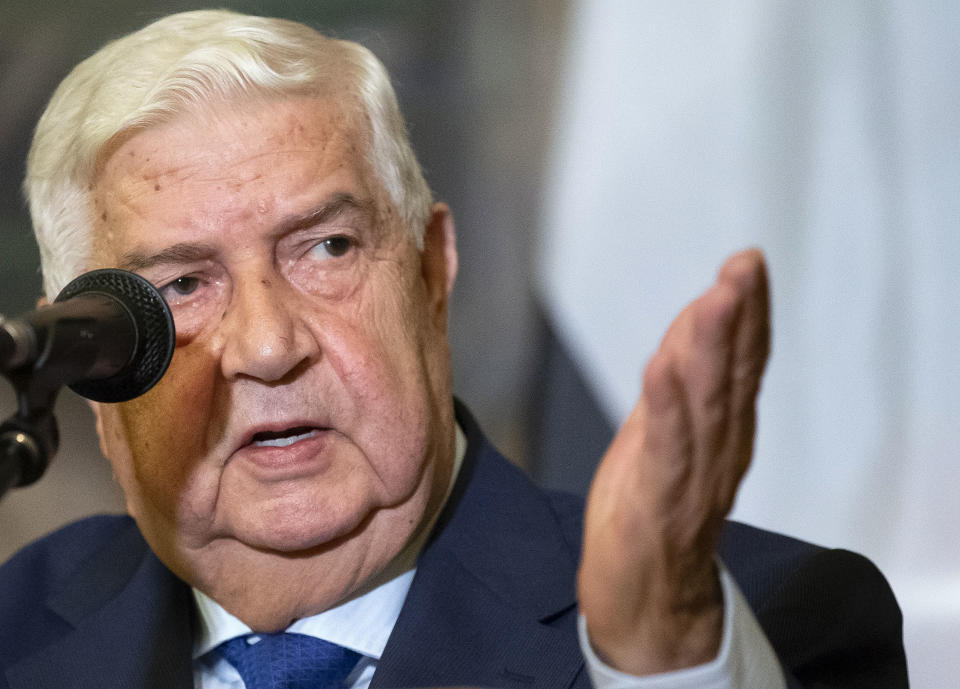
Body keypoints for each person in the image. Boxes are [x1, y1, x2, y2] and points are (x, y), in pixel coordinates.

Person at [0, 10, 906, 689]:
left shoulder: (756, 622)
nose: (269, 347)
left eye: (327, 247)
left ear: (432, 273)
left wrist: (662, 663)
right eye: (181, 288)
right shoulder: (17, 625)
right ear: (89, 363)